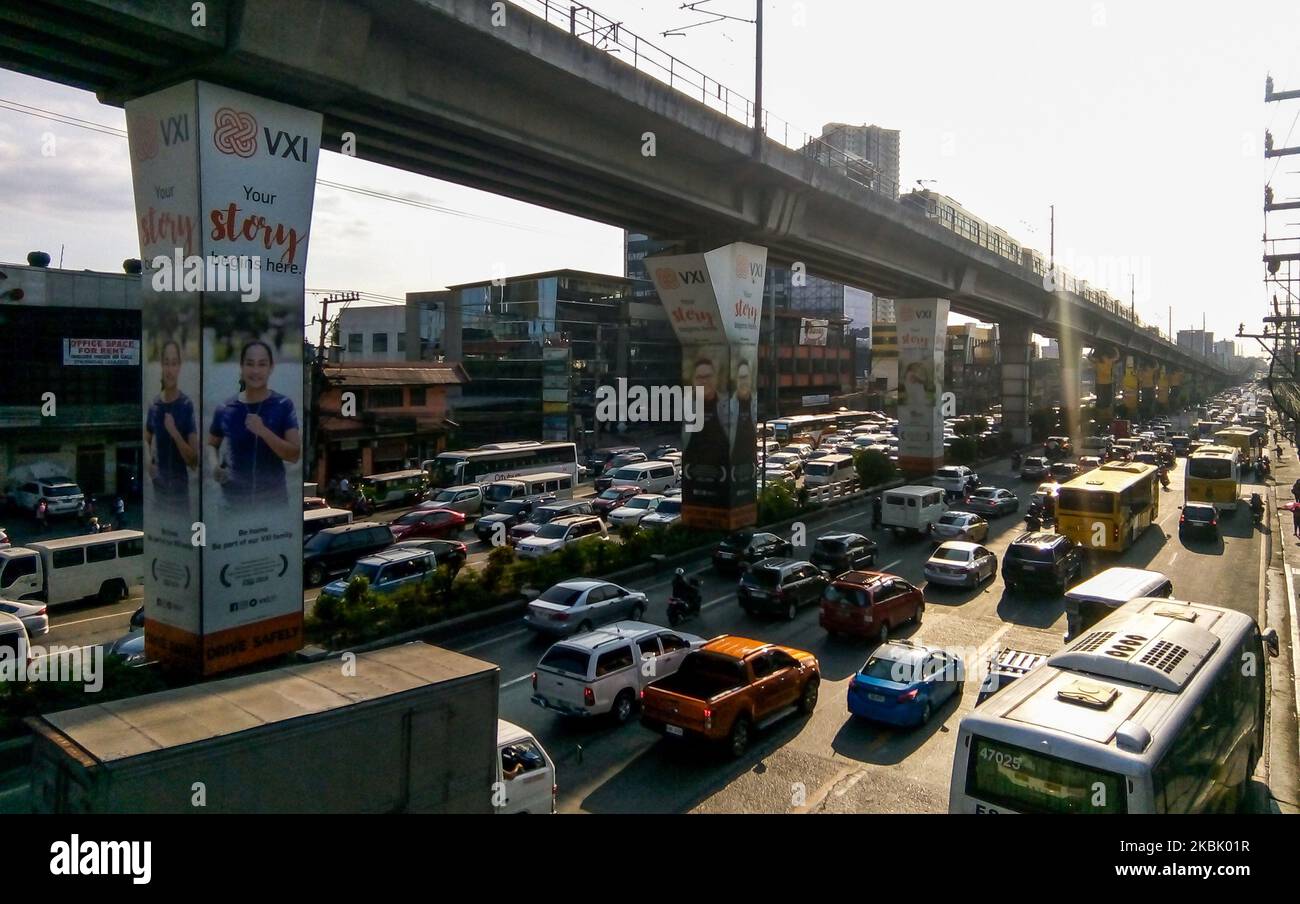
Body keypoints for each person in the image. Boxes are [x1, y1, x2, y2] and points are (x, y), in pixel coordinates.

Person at [207, 340, 301, 508]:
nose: (256, 371)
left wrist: (263, 431)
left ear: (271, 368)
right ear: (241, 367)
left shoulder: (283, 405)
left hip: (272, 503)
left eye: (262, 364)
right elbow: (212, 444)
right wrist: (215, 466)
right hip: (232, 504)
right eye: (250, 364)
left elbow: (293, 454)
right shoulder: (225, 407)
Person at [145, 339, 200, 510]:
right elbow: (145, 438)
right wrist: (149, 463)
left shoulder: (186, 405)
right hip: (158, 495)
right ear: (161, 365)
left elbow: (193, 460)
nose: (170, 370)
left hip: (180, 496)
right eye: (166, 363)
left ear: (180, 367)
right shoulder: (155, 405)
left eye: (174, 363)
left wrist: (174, 433)